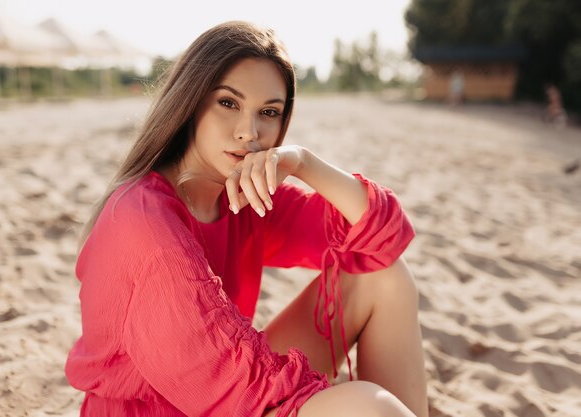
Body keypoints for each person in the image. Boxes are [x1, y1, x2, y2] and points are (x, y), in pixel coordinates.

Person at [64, 21, 428, 417]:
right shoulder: (144, 224)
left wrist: (304, 162)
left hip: (223, 385)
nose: (249, 132)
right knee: (368, 408)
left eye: (268, 112)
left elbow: (383, 238)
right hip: (163, 408)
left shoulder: (243, 195)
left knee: (383, 277)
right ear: (190, 101)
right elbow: (228, 389)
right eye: (228, 103)